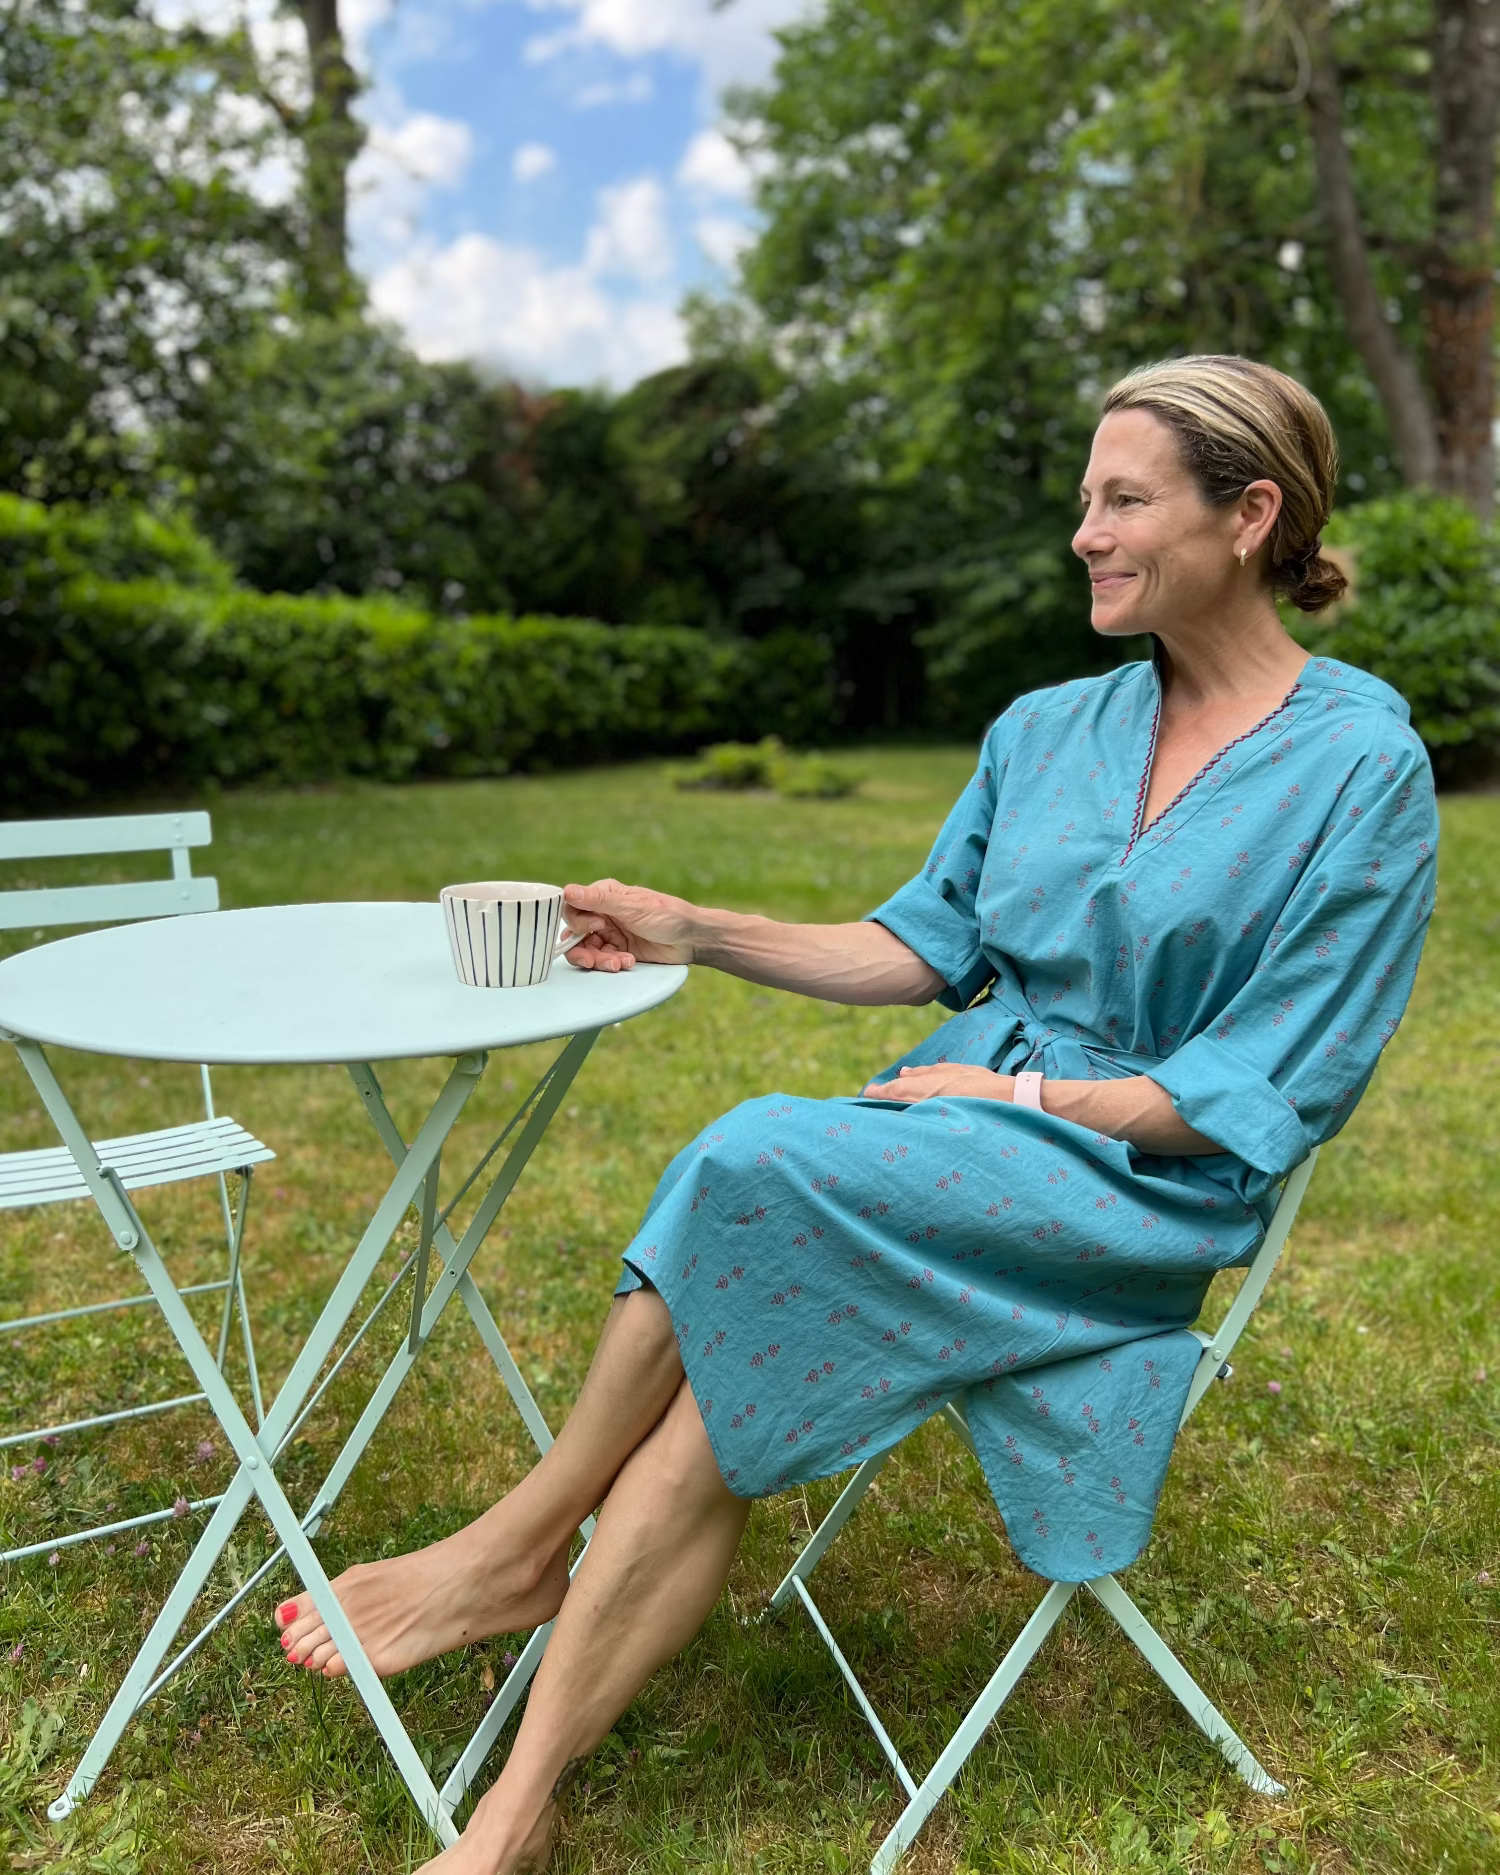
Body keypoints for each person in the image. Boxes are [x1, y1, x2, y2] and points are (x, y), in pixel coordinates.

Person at [273, 355, 1438, 1873]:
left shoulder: (1362, 766)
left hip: (1139, 1185)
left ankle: (519, 1542)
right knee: (725, 1356)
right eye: (1085, 499)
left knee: (753, 1152)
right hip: (943, 1147)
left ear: (1252, 513)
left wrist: (1016, 1091)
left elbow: (1276, 1082)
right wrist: (694, 923)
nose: (1084, 532)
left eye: (1124, 498)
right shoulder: (1043, 729)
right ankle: (510, 1819)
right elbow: (915, 949)